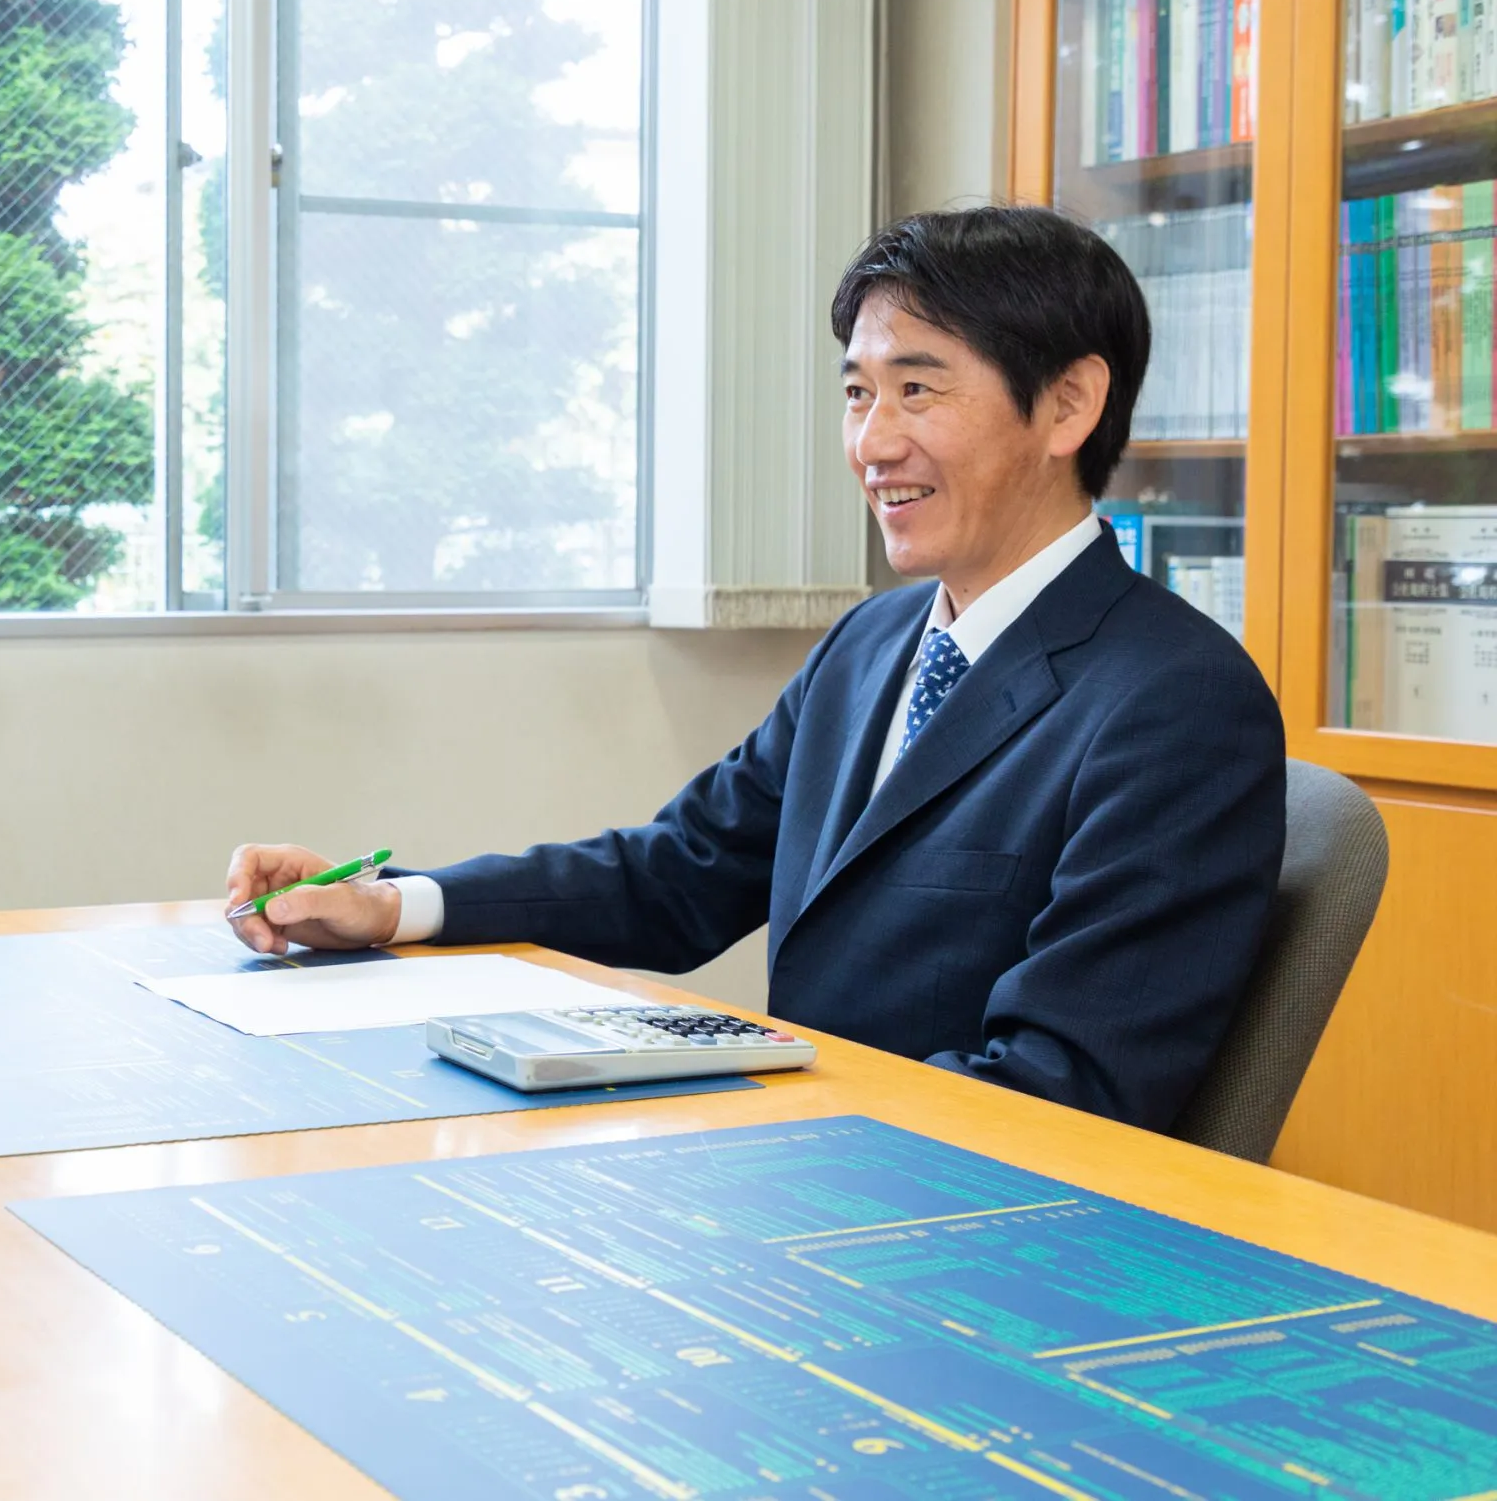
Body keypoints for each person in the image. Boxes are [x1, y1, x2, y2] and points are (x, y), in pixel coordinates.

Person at [224, 205, 1286, 1134]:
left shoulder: (1175, 703)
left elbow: (1060, 1089)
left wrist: (743, 1123)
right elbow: (675, 876)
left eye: (918, 390)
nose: (872, 443)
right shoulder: (872, 645)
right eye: (857, 394)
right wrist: (393, 905)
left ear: (1067, 407)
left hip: (961, 1229)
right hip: (820, 1175)